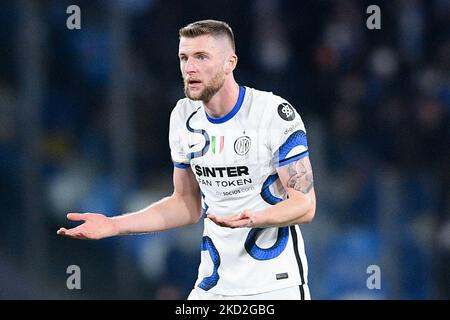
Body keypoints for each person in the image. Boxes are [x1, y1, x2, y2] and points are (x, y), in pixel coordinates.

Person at [57, 19, 316, 300]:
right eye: (184, 57)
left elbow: (305, 205)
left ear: (230, 63)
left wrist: (255, 218)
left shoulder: (272, 113)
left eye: (201, 57)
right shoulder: (183, 116)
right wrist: (114, 225)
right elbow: (186, 204)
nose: (189, 68)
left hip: (275, 287)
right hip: (213, 286)